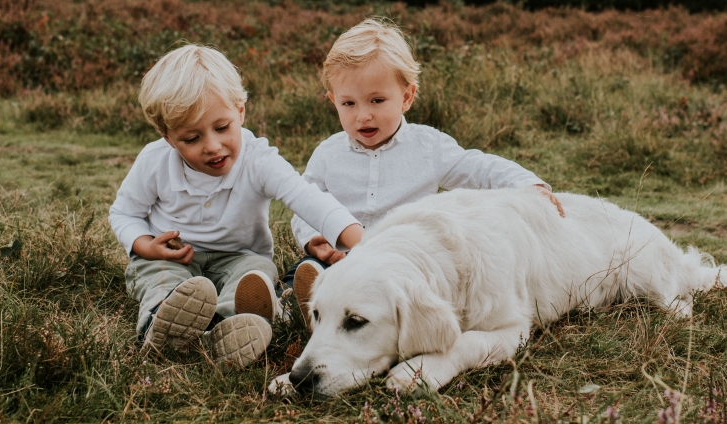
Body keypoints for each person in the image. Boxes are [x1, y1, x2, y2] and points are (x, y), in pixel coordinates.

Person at [287, 19, 565, 330]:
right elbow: (304, 203)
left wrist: (528, 183)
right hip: (338, 257)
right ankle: (289, 303)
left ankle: (331, 308)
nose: (363, 114)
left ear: (406, 97)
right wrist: (314, 239)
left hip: (401, 261)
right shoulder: (327, 153)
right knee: (305, 269)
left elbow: (478, 167)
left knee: (403, 286)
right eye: (348, 103)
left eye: (377, 100)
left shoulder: (428, 147)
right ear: (333, 101)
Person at [109, 44, 362, 366]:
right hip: (174, 257)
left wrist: (364, 242)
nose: (212, 146)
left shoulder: (259, 160)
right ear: (167, 136)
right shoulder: (155, 160)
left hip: (239, 258)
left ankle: (226, 328)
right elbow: (124, 212)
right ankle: (160, 328)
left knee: (258, 271)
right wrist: (145, 246)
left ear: (240, 111)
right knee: (161, 278)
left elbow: (308, 198)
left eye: (222, 128)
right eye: (191, 138)